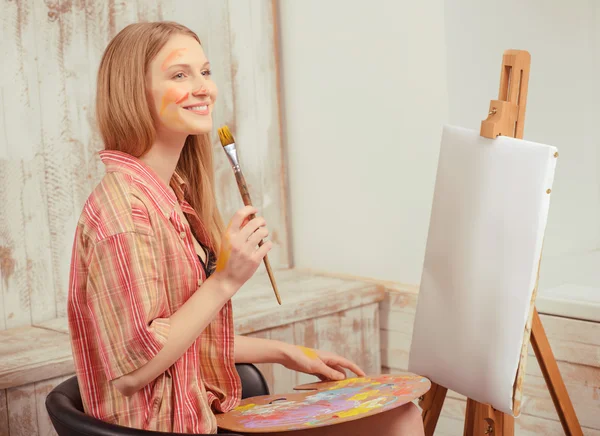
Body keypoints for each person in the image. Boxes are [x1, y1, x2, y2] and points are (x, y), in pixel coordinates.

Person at [67, 21, 424, 435]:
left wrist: (287, 353)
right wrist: (225, 279)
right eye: (179, 74)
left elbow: (180, 340)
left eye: (205, 71)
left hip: (200, 411)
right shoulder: (127, 215)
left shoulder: (167, 197)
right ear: (135, 93)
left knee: (401, 413)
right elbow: (134, 371)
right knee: (399, 420)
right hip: (169, 426)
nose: (203, 87)